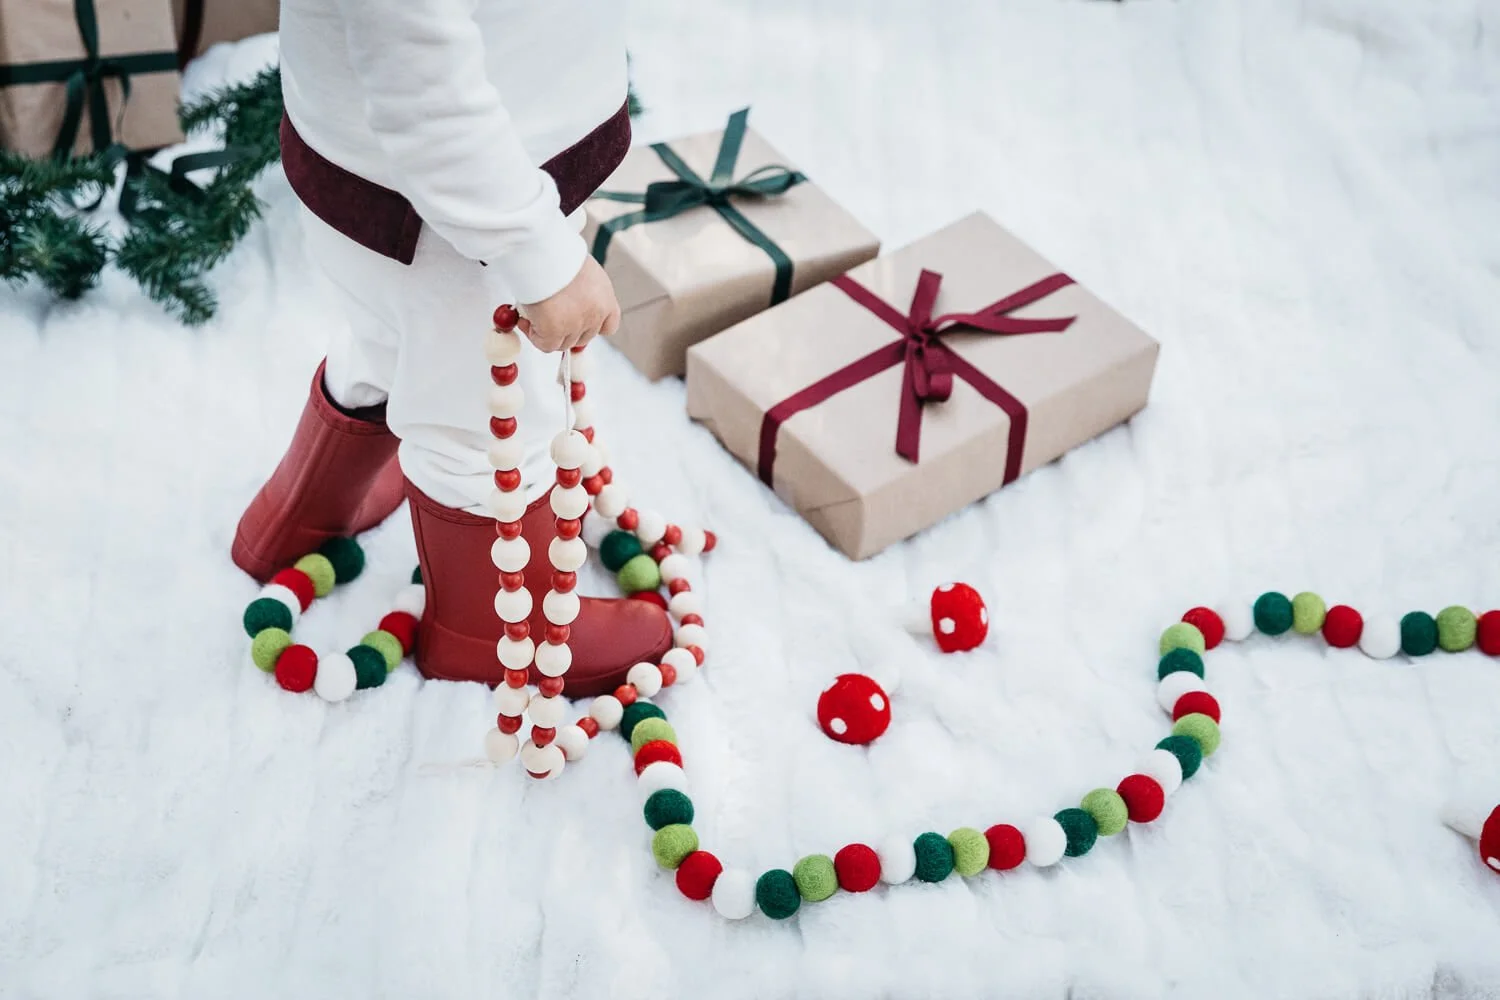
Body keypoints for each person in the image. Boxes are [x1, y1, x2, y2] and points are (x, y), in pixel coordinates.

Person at [230, 0, 672, 695]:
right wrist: (536, 256)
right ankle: (491, 630)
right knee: (488, 410)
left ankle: (300, 518)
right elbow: (421, 78)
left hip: (392, 162)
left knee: (391, 342)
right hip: (458, 203)